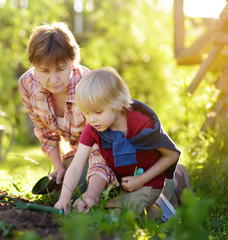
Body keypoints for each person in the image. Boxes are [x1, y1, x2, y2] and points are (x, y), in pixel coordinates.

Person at [54, 67, 181, 216]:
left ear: (117, 103)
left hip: (148, 182)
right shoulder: (93, 128)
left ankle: (162, 210)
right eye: (86, 113)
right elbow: (76, 166)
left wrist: (140, 180)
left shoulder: (143, 124)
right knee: (99, 208)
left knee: (116, 215)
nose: (91, 119)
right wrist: (64, 198)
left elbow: (171, 155)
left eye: (98, 112)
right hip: (122, 184)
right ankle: (153, 209)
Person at [18, 22, 119, 197]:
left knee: (79, 192)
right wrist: (58, 166)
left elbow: (103, 145)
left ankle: (175, 177)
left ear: (73, 61)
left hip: (113, 152)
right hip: (78, 153)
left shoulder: (89, 87)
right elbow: (45, 133)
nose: (54, 79)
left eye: (61, 69)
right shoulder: (27, 85)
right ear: (33, 66)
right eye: (44, 71)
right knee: (56, 192)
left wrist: (92, 193)